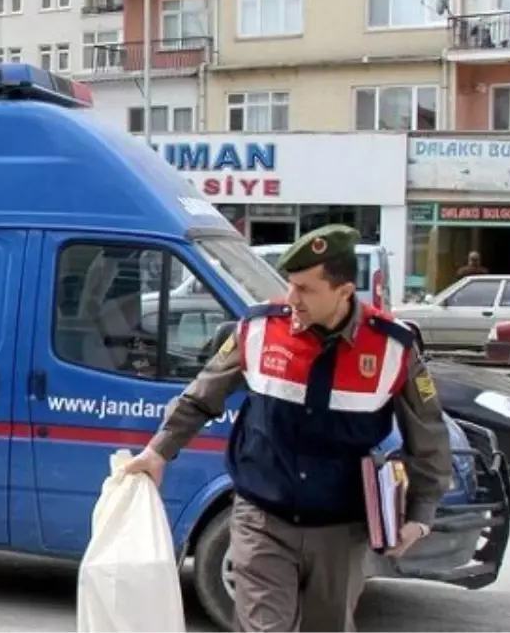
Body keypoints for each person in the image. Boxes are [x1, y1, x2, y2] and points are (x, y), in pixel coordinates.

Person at [124, 224, 452, 633]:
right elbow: (200, 396)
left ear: (344, 291)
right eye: (290, 285)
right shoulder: (259, 329)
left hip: (340, 531)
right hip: (262, 520)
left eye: (306, 289)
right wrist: (157, 451)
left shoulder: (393, 349)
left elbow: (430, 437)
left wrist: (419, 514)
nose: (291, 298)